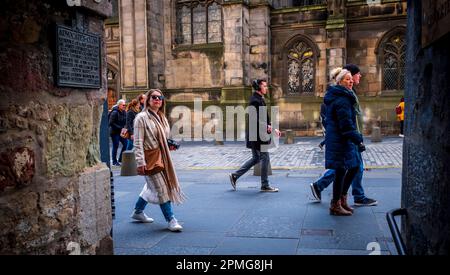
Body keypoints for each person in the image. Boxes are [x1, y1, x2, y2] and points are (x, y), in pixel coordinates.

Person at [310, 64, 377, 206]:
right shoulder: (344, 96)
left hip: (349, 136)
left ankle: (339, 198)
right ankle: (349, 198)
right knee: (351, 166)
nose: (358, 78)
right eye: (355, 75)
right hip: (349, 137)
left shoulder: (346, 94)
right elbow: (343, 123)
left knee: (347, 167)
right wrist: (357, 138)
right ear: (344, 78)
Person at [131, 89, 185, 232]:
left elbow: (162, 139)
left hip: (162, 157)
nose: (157, 99)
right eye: (154, 97)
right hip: (150, 158)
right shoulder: (141, 118)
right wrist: (140, 162)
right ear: (148, 100)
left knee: (150, 187)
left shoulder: (161, 116)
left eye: (160, 97)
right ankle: (171, 219)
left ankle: (137, 212)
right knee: (162, 189)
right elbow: (137, 142)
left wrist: (168, 145)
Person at [322, 68, 366, 216]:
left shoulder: (342, 96)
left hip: (341, 139)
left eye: (351, 79)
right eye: (347, 79)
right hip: (340, 139)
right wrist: (358, 138)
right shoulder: (342, 99)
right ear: (340, 81)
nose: (351, 81)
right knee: (341, 170)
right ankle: (335, 204)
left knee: (351, 167)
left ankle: (341, 200)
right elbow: (346, 125)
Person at [229, 79, 281, 192]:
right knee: (265, 158)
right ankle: (265, 185)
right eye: (264, 86)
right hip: (257, 135)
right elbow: (255, 119)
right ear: (259, 88)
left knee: (256, 158)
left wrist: (272, 127)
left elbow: (264, 117)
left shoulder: (259, 99)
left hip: (257, 134)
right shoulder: (254, 101)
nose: (266, 88)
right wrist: (267, 127)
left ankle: (235, 176)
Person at [109, 99, 127, 166]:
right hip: (114, 132)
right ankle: (114, 161)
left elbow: (126, 121)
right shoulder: (114, 112)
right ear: (119, 105)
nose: (124, 106)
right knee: (115, 146)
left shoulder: (124, 112)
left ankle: (120, 159)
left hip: (122, 132)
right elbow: (111, 123)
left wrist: (125, 127)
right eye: (123, 105)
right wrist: (120, 128)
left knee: (126, 144)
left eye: (125, 105)